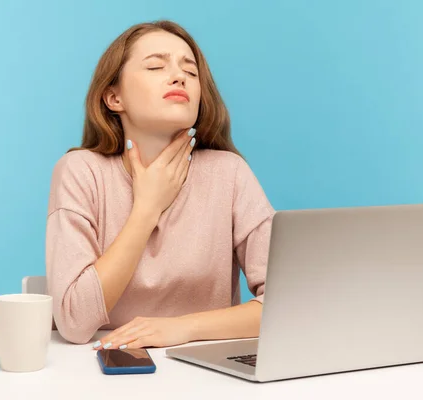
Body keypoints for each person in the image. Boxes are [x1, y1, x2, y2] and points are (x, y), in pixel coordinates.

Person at [45, 20, 275, 350]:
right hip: (103, 368)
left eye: (191, 72)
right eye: (155, 66)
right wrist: (147, 207)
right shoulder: (81, 172)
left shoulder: (229, 173)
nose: (179, 76)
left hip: (205, 371)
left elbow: (285, 304)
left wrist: (181, 329)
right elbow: (74, 322)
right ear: (114, 97)